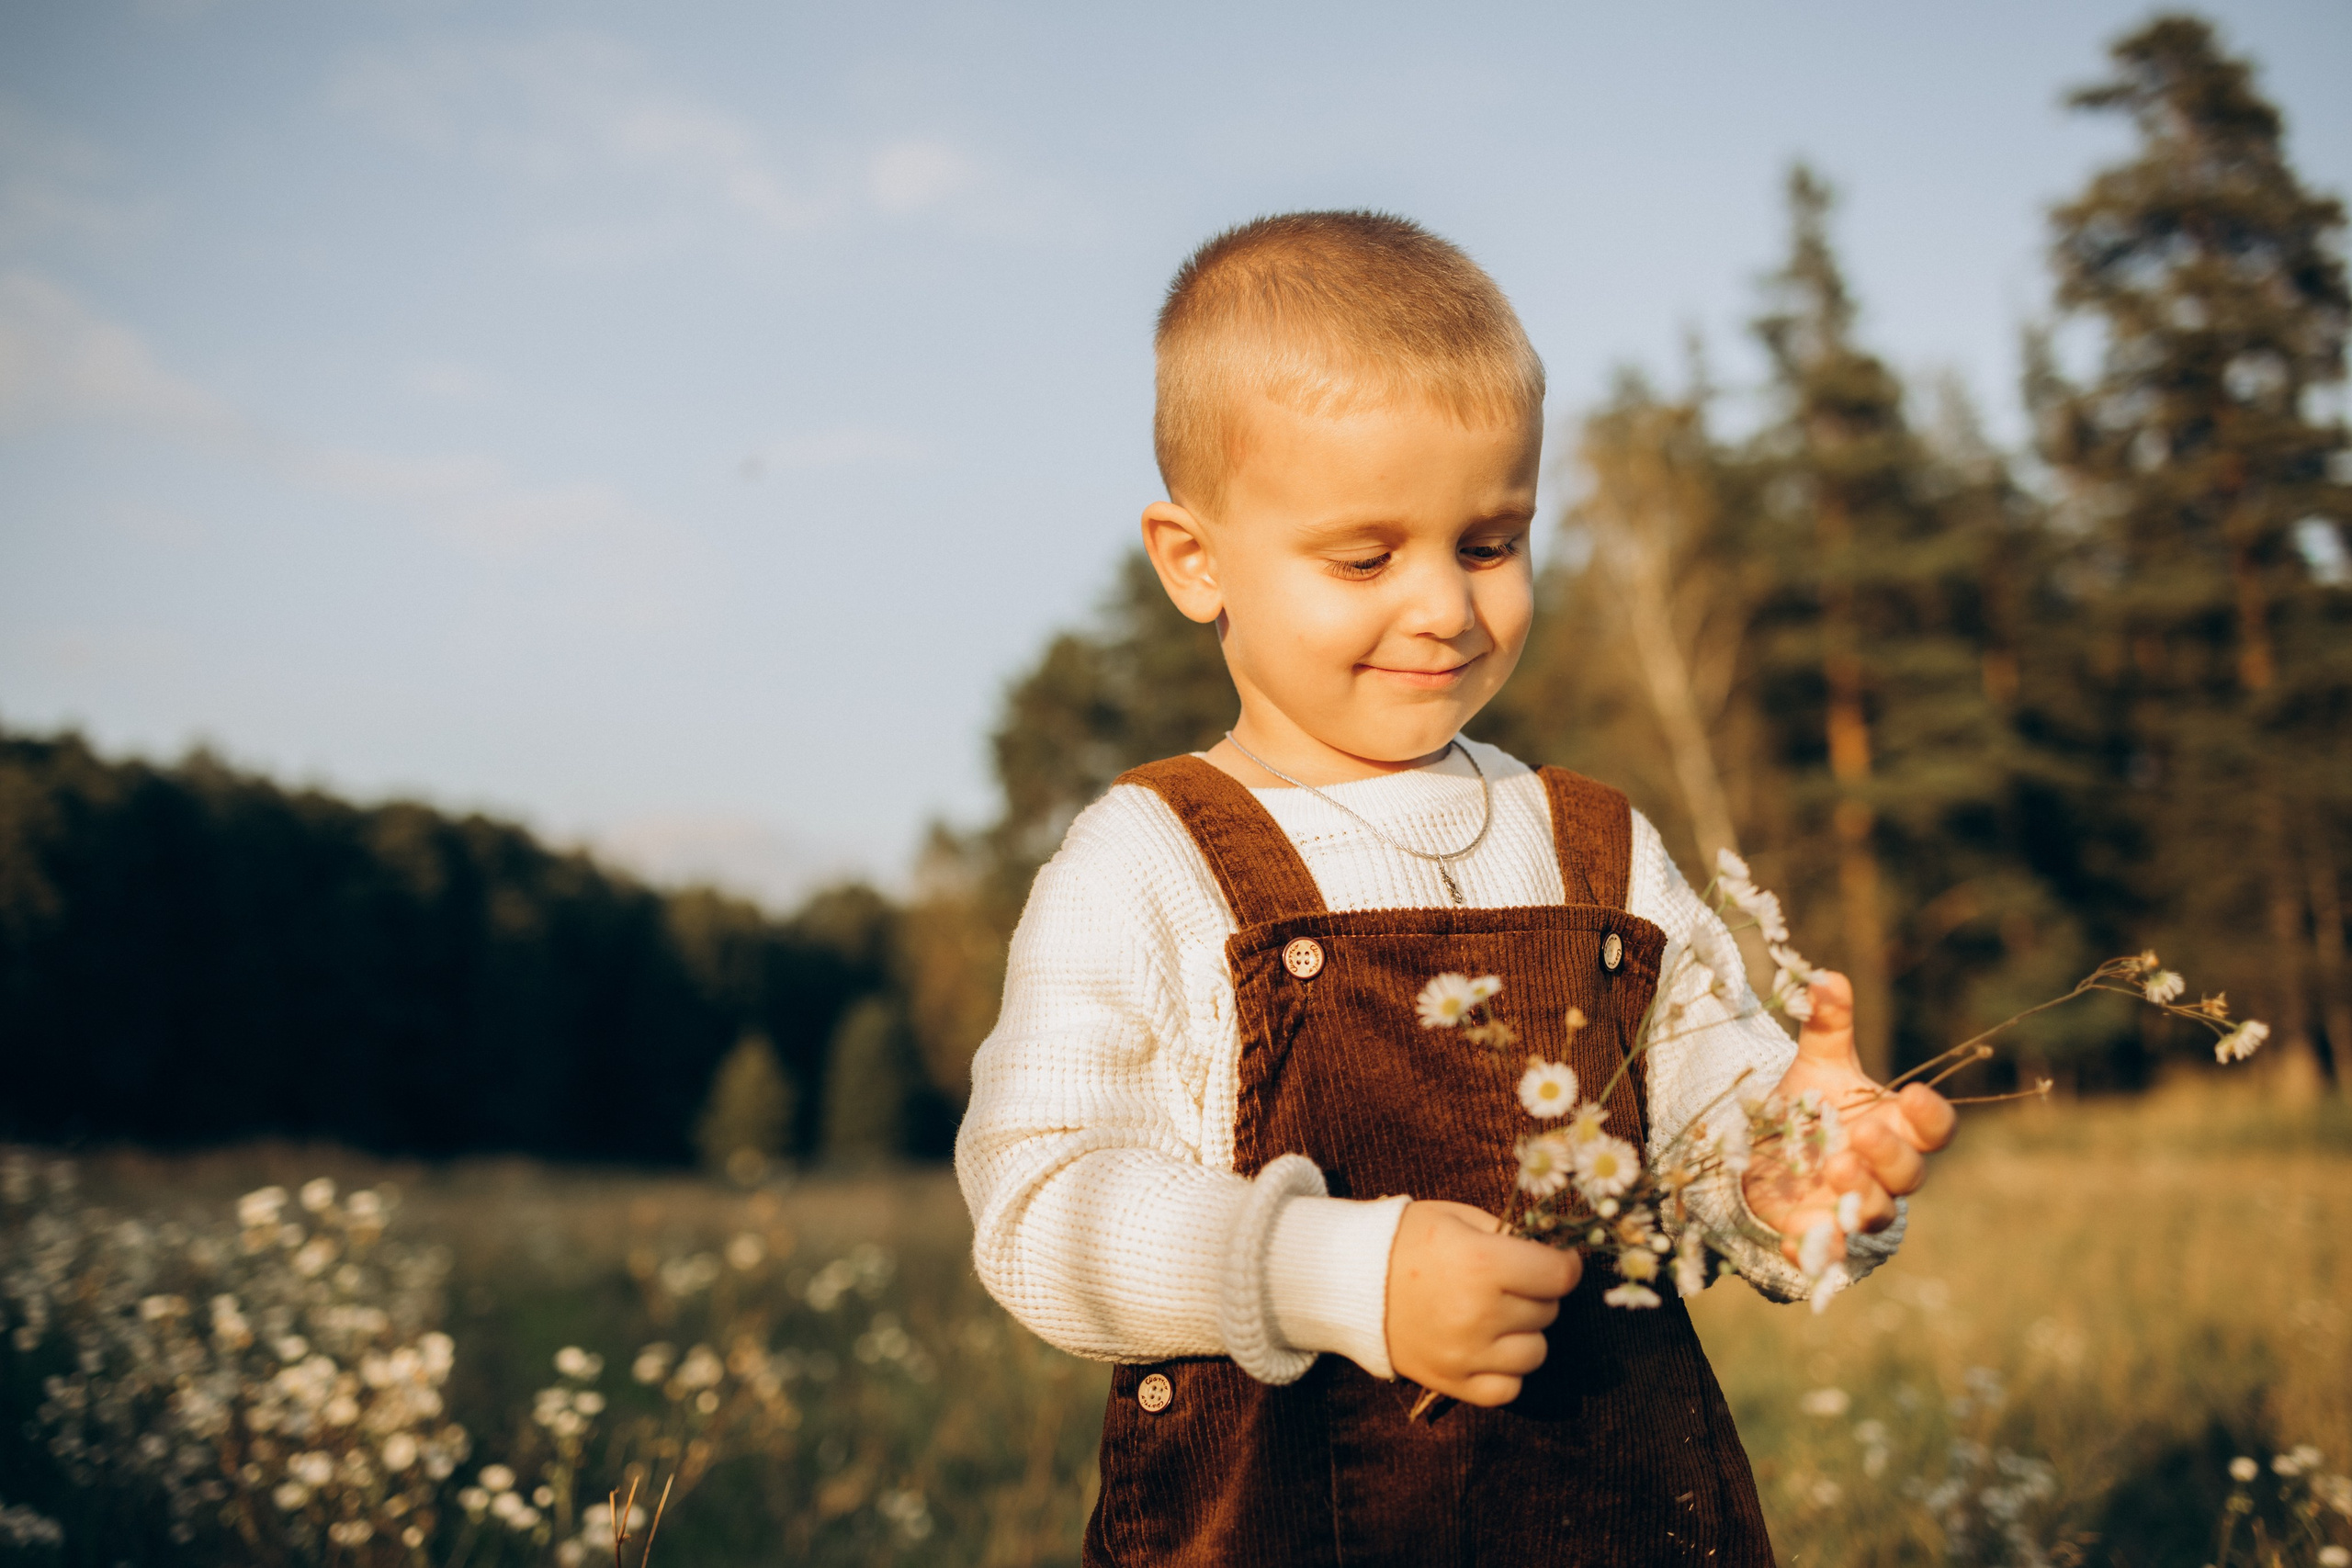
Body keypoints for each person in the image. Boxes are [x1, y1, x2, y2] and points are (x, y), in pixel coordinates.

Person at [954, 210, 1956, 1566]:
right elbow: (1037, 1212)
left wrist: (1798, 1170)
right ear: (1196, 561)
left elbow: (1709, 1134)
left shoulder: (1598, 847)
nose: (1443, 606)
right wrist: (1331, 1273)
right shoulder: (1149, 861)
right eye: (1365, 559)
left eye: (1490, 543)